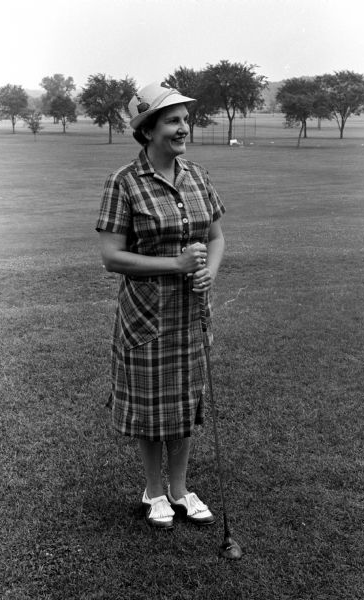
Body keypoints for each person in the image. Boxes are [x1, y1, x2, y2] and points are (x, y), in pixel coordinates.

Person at [96, 82, 225, 530]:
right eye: (173, 120)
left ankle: (180, 489)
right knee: (152, 407)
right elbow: (112, 257)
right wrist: (176, 263)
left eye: (185, 119)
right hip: (147, 316)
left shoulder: (198, 176)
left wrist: (210, 269)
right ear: (148, 130)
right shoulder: (123, 182)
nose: (183, 128)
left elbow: (215, 237)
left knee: (185, 404)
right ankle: (154, 492)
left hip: (192, 313)